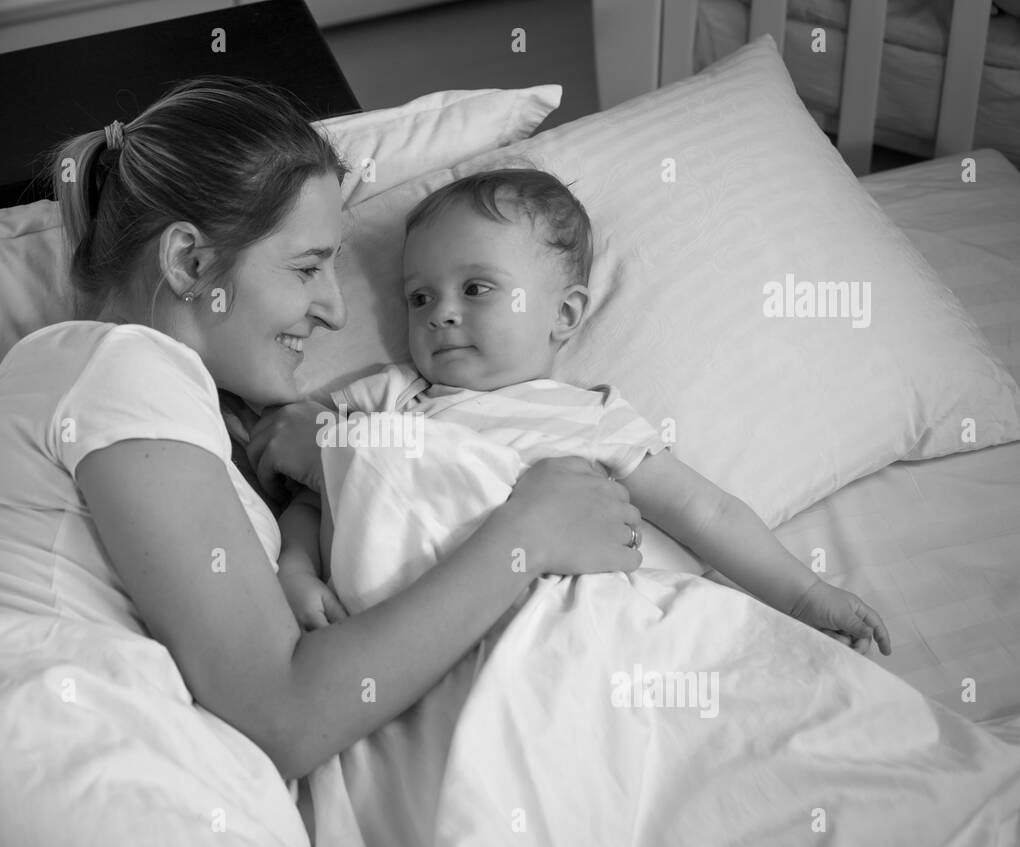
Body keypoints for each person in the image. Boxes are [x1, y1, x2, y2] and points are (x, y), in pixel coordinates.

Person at [0, 78, 646, 782]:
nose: (336, 312)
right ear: (190, 262)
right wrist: (526, 536)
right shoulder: (117, 365)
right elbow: (285, 713)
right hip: (53, 779)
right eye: (307, 268)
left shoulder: (162, 405)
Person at [276, 167, 892, 656]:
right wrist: (296, 570)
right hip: (414, 632)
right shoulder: (390, 398)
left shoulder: (590, 416)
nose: (440, 312)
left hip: (569, 635)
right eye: (419, 296)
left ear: (564, 315)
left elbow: (706, 511)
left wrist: (805, 595)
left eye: (476, 288)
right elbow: (320, 492)